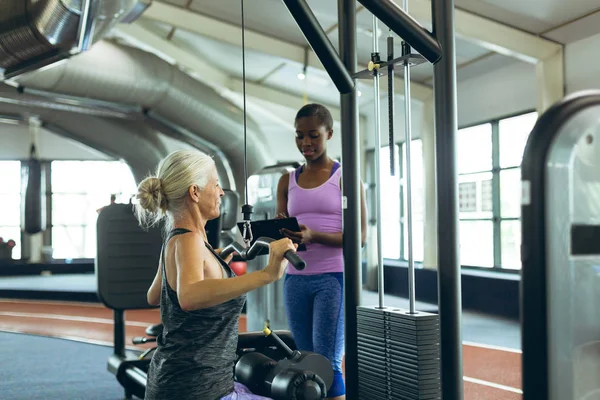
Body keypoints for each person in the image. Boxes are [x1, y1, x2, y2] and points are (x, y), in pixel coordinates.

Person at [134, 150, 297, 400]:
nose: (221, 192)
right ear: (195, 192)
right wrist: (267, 274)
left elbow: (155, 295)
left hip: (172, 383)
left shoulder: (176, 239)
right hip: (196, 389)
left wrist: (212, 262)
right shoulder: (189, 241)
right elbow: (188, 297)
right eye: (217, 184)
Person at [276, 104, 367, 400]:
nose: (306, 143)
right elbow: (281, 227)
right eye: (299, 136)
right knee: (305, 363)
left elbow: (360, 237)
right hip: (295, 279)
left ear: (329, 133)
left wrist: (314, 235)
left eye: (314, 135)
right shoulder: (286, 181)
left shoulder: (345, 178)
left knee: (327, 364)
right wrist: (280, 231)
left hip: (333, 278)